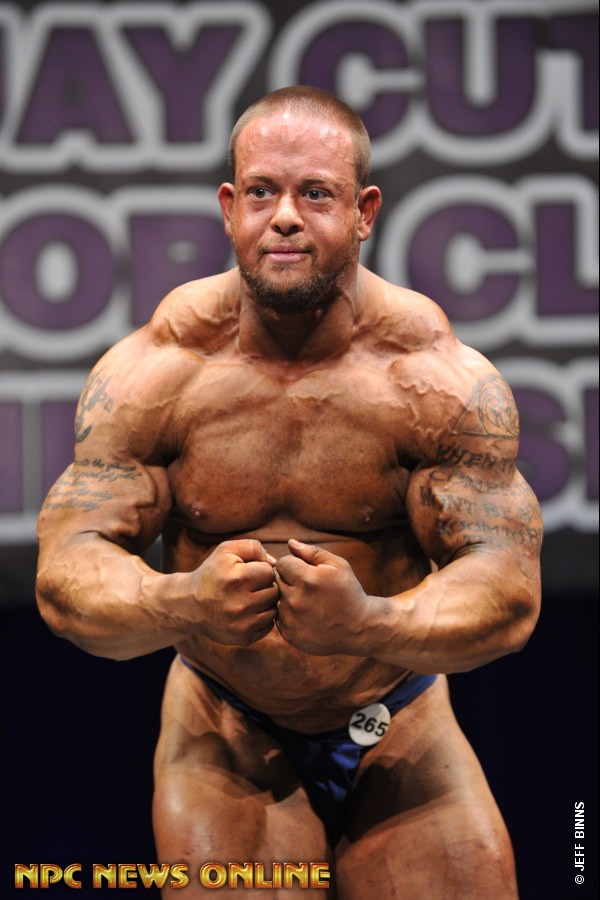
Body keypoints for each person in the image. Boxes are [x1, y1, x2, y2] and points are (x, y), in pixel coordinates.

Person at [36, 86, 542, 898]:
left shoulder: (435, 379)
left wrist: (369, 622)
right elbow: (67, 573)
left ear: (364, 212)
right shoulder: (158, 371)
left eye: (315, 195)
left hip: (398, 716)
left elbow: (509, 591)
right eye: (262, 192)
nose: (284, 218)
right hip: (226, 725)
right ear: (229, 206)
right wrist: (183, 603)